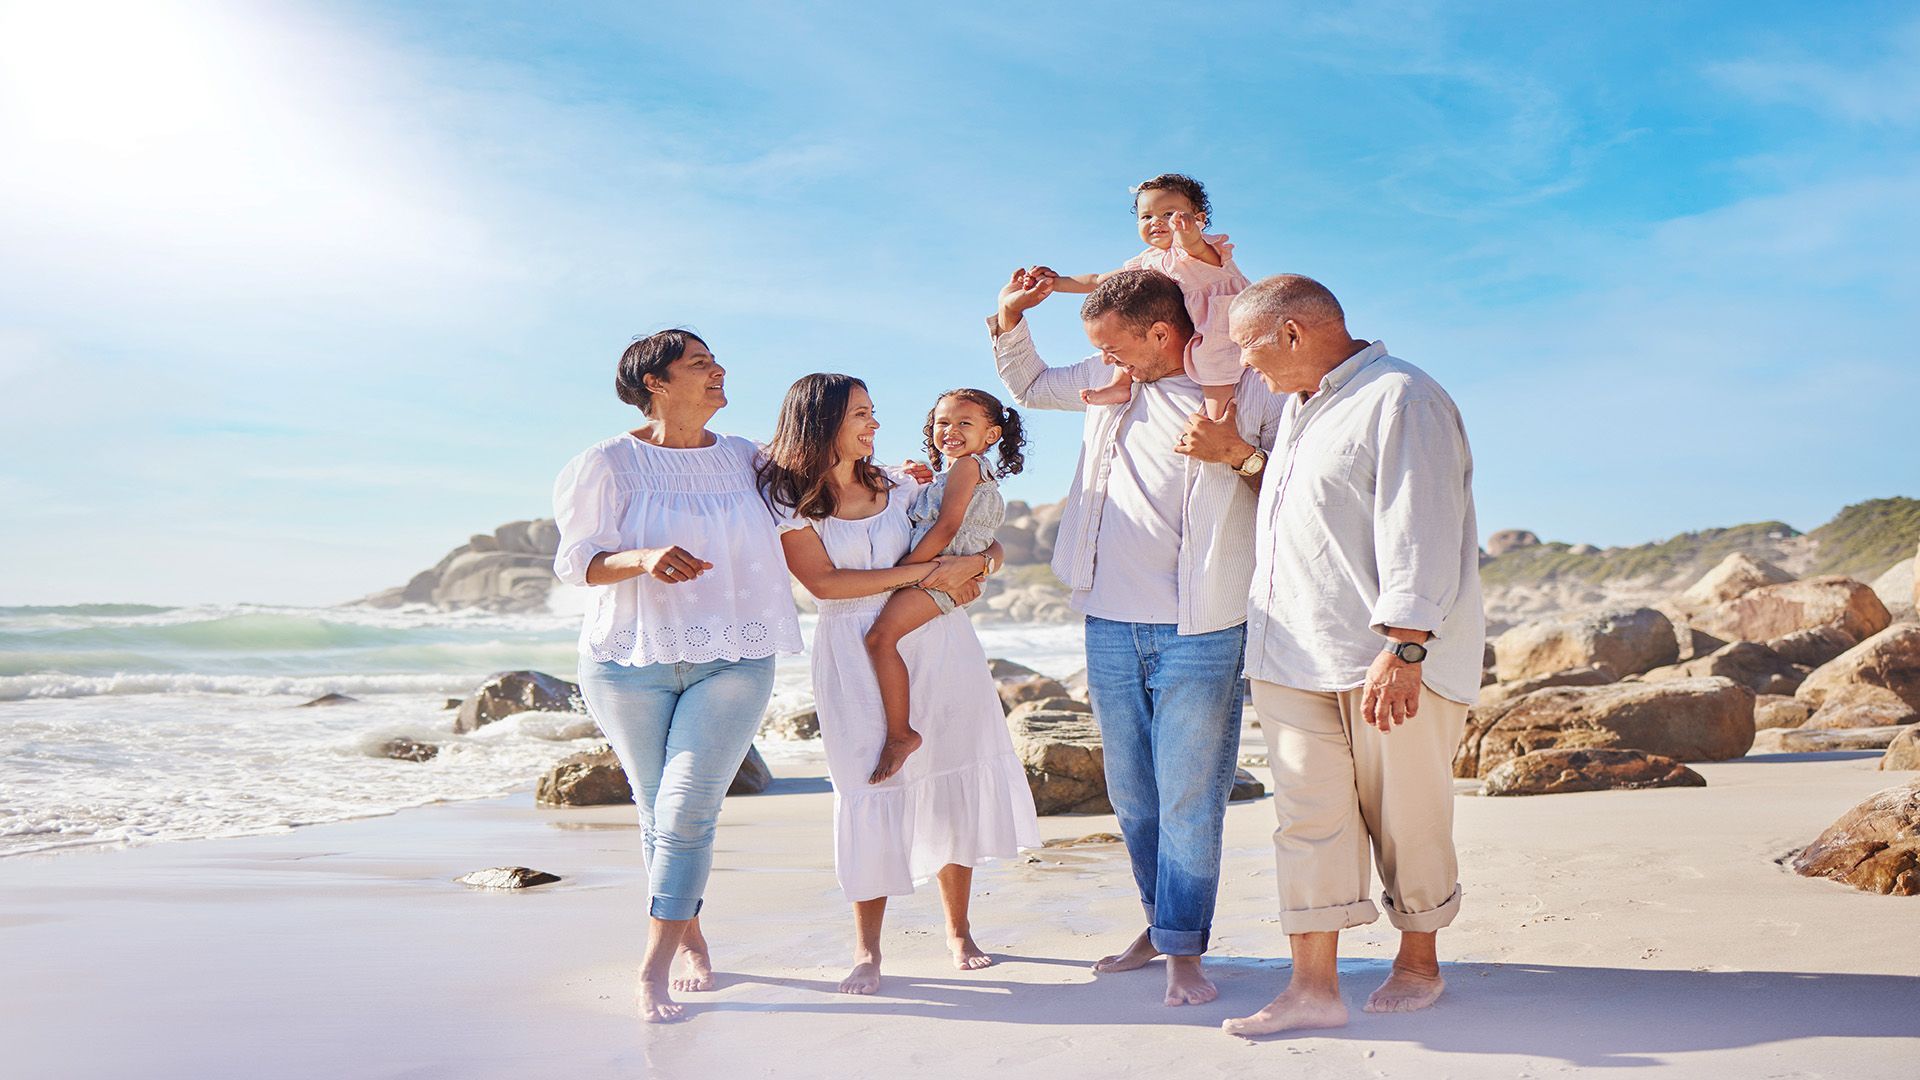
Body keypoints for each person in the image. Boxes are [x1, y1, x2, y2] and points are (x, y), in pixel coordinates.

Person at [988, 266, 1283, 1006]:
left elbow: (1291, 482)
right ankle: (1158, 926)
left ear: (1160, 332)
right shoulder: (1109, 374)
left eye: (1117, 350)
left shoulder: (1244, 385)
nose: (1106, 364)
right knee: (1133, 796)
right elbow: (1030, 385)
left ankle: (1184, 947)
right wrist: (1010, 317)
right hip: (1108, 620)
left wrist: (1235, 454)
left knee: (1188, 795)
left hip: (1203, 622)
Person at [1216, 275, 1484, 1039]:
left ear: (1294, 334)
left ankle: (1420, 961)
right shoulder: (1298, 411)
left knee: (1410, 818)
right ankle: (1312, 987)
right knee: (1306, 822)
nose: (1245, 366)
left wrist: (1405, 646)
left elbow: (1420, 526)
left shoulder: (1402, 397)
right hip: (1289, 654)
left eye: (1250, 347)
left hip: (1389, 657)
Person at [550, 328, 804, 1024]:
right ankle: (690, 937)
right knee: (658, 810)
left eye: (717, 360)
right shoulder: (606, 464)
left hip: (735, 653)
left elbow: (823, 499)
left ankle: (651, 965)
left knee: (688, 808)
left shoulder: (750, 459)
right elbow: (580, 564)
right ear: (655, 382)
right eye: (699, 364)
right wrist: (644, 556)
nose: (719, 370)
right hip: (626, 660)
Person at [758, 373, 1041, 994]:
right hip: (854, 650)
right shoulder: (790, 501)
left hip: (940, 642)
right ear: (823, 422)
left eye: (873, 411)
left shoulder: (901, 480)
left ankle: (959, 930)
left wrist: (977, 564)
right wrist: (934, 572)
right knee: (868, 789)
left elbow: (983, 539)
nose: (875, 424)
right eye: (862, 413)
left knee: (951, 775)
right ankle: (867, 949)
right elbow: (826, 586)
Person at [863, 388, 1027, 784]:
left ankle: (901, 734)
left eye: (965, 423)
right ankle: (903, 730)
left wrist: (907, 570)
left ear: (991, 435)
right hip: (939, 571)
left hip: (936, 574)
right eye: (943, 422)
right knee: (885, 640)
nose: (951, 430)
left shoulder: (968, 467)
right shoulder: (952, 472)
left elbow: (948, 525)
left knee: (880, 639)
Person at [1033, 173, 1251, 420]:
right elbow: (1097, 280)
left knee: (1215, 370)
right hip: (1188, 326)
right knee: (1127, 340)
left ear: (1198, 219)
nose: (1156, 221)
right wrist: (1055, 283)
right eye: (1146, 216)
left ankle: (1217, 421)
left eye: (1169, 214)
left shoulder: (1201, 250)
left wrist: (1189, 234)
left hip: (1221, 321)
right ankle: (1120, 385)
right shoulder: (1149, 261)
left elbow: (1195, 246)